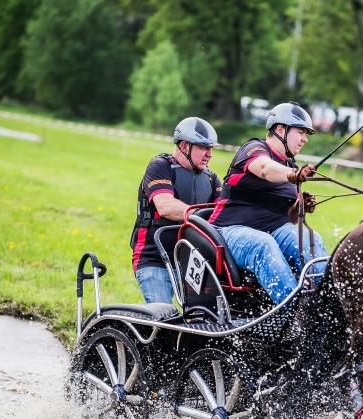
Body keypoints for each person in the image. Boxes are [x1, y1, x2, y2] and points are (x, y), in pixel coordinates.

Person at [208, 102, 327, 304]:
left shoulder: (291, 166)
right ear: (281, 129)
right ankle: (295, 314)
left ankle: (325, 304)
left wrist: (300, 207)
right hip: (229, 231)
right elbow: (264, 168)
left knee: (310, 239)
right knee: (263, 244)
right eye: (301, 132)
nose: (305, 139)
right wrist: (293, 175)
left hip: (273, 230)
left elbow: (288, 219)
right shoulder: (254, 148)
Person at [131, 117, 221, 304]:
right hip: (154, 258)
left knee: (203, 318)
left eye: (211, 148)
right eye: (204, 147)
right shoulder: (160, 166)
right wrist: (202, 216)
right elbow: (165, 206)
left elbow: (223, 215)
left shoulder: (211, 178)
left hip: (191, 262)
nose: (209, 154)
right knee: (164, 317)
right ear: (184, 146)